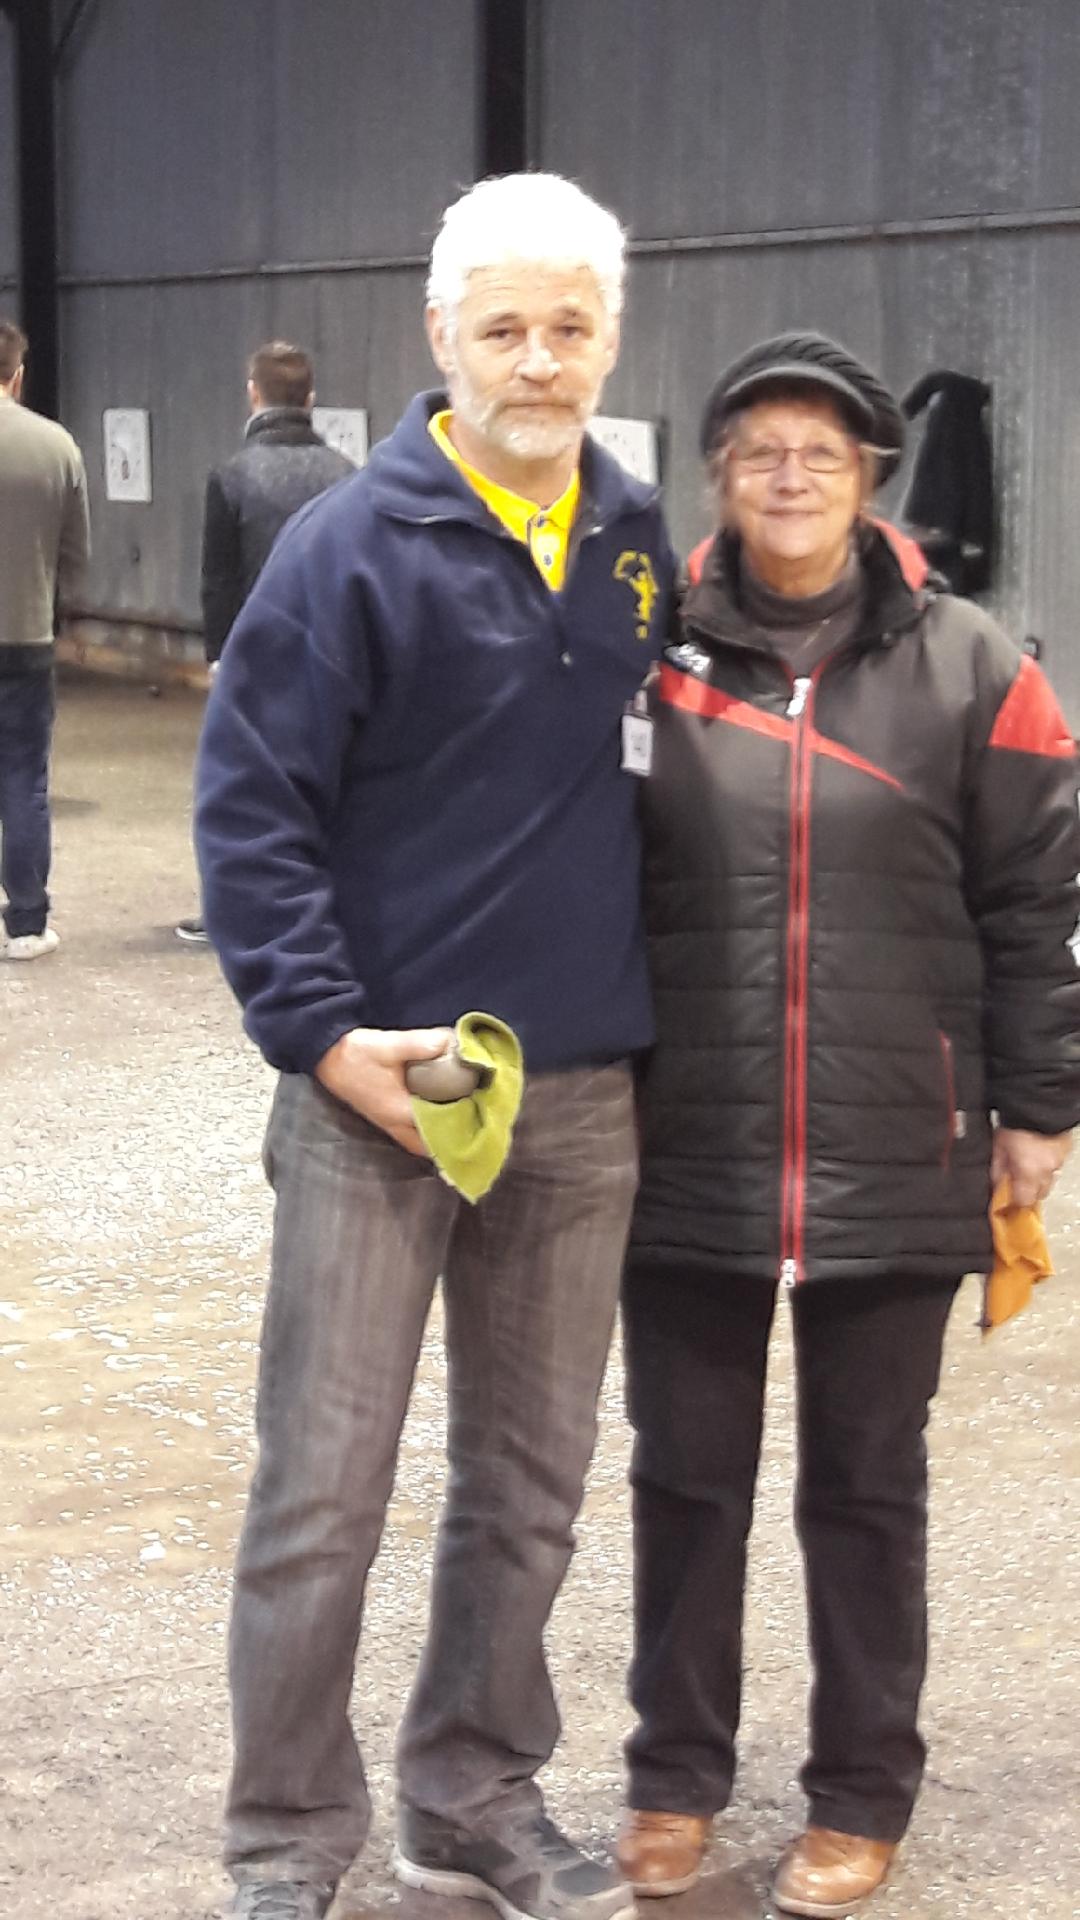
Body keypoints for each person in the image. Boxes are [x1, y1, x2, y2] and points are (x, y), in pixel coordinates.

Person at [195, 172, 674, 1920]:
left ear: (609, 339)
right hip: (383, 1093)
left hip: (581, 1095)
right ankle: (283, 1838)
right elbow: (251, 807)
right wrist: (323, 1036)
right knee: (322, 1495)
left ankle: (469, 1797)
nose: (539, 361)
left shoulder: (636, 538)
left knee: (530, 1486)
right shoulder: (347, 548)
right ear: (440, 337)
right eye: (505, 329)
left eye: (570, 328)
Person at [615, 332, 1080, 1917]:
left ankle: (862, 1789)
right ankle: (673, 1773)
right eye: (760, 449)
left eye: (822, 450)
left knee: (868, 1488)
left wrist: (1039, 1105)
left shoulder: (975, 664)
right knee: (686, 1477)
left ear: (870, 474)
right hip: (687, 1136)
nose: (791, 474)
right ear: (720, 475)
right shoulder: (646, 650)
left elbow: (1035, 900)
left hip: (902, 1136)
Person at [175, 340, 352, 943]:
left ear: (253, 394)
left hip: (254, 657)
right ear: (310, 398)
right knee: (329, 784)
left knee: (240, 789)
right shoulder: (348, 476)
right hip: (334, 654)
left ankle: (229, 911)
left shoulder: (230, 476)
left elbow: (218, 580)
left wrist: (218, 656)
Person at [0, 320, 91, 962]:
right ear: (18, 374)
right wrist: (62, 618)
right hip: (27, 636)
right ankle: (28, 923)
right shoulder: (57, 446)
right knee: (23, 779)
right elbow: (75, 555)